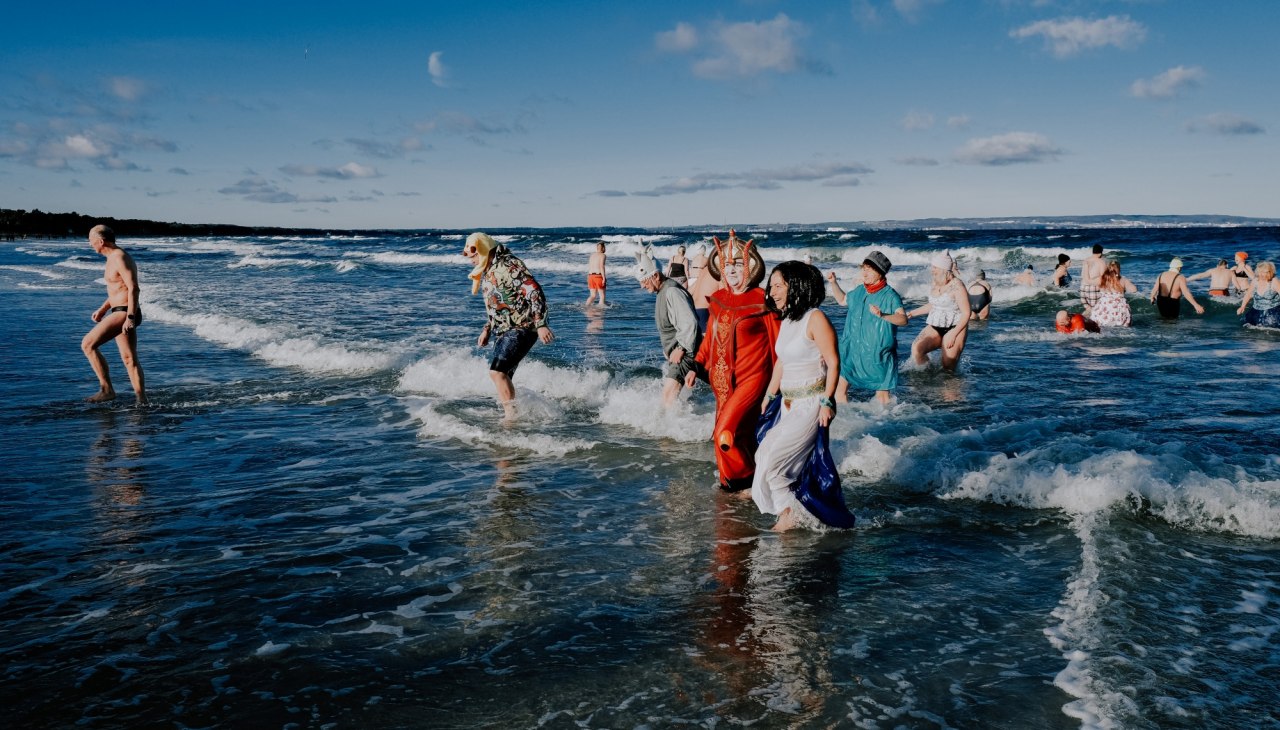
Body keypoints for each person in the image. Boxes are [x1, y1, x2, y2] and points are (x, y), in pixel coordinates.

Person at [752, 261, 853, 532]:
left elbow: (833, 362)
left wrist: (828, 402)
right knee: (765, 456)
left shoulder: (815, 318)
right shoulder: (787, 319)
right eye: (770, 285)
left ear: (796, 285)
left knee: (774, 462)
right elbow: (781, 362)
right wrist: (769, 393)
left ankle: (790, 518)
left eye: (778, 285)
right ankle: (796, 515)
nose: (771, 291)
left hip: (811, 404)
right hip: (787, 404)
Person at [687, 230, 778, 493]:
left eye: (737, 264)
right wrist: (695, 365)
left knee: (724, 433)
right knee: (740, 434)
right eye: (727, 265)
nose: (731, 270)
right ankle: (741, 481)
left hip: (754, 378)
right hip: (722, 380)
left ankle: (741, 484)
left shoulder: (762, 300)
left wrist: (786, 382)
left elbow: (780, 342)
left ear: (751, 266)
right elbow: (710, 341)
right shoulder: (719, 300)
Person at [464, 232, 554, 419]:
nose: (469, 259)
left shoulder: (508, 265)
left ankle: (511, 418)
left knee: (497, 372)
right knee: (504, 376)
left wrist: (541, 324)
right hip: (503, 330)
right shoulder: (489, 270)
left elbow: (534, 291)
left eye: (472, 254)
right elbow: (496, 304)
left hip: (522, 327)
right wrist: (487, 329)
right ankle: (521, 413)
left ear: (482, 250)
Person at [826, 251, 906, 405]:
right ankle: (846, 423)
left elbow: (903, 319)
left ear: (880, 273)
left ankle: (885, 426)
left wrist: (883, 315)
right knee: (839, 391)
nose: (865, 272)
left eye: (870, 269)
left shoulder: (890, 295)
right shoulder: (859, 290)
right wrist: (833, 282)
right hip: (852, 352)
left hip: (878, 355)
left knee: (883, 399)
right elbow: (842, 300)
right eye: (864, 268)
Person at [81, 225, 147, 405]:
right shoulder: (112, 258)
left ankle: (106, 389)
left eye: (90, 240)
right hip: (120, 310)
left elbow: (133, 288)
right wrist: (103, 309)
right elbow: (118, 290)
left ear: (101, 241)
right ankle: (142, 400)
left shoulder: (120, 257)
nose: (90, 244)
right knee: (129, 358)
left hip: (126, 312)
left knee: (87, 344)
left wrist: (130, 317)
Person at [637, 245, 702, 406]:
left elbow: (690, 322)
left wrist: (680, 349)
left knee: (667, 399)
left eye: (644, 281)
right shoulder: (662, 292)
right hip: (680, 353)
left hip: (686, 354)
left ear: (656, 276)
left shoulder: (672, 291)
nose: (642, 286)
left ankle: (670, 430)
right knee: (672, 398)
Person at [907, 251, 972, 372]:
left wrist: (954, 334)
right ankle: (927, 375)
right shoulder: (936, 282)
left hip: (955, 327)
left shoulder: (958, 286)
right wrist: (912, 313)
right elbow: (934, 304)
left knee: (948, 365)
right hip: (936, 325)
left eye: (935, 267)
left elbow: (966, 313)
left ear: (943, 269)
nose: (932, 270)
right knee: (917, 349)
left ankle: (949, 387)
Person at [1090, 260, 1138, 327]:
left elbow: (1089, 281)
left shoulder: (1102, 279)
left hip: (1104, 309)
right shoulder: (1123, 280)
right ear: (1119, 269)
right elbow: (1134, 290)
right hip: (1119, 310)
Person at [1237, 261, 1280, 329]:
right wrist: (1242, 307)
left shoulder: (1274, 281)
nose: (1262, 275)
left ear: (1270, 272)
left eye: (1265, 272)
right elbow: (1248, 294)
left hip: (1272, 312)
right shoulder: (1255, 281)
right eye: (1260, 272)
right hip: (1255, 311)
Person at [690, 244, 721, 334]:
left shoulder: (705, 270)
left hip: (693, 308)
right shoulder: (719, 272)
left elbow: (690, 290)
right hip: (704, 311)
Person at [1080, 244, 1106, 314]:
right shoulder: (1101, 262)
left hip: (1083, 287)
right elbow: (1104, 278)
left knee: (1089, 308)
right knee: (1097, 309)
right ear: (1100, 253)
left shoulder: (1086, 260)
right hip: (1093, 288)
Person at [585, 241, 607, 306]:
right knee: (602, 296)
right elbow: (601, 266)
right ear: (603, 248)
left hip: (590, 276)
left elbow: (590, 266)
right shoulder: (603, 255)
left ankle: (586, 306)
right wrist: (603, 278)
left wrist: (587, 278)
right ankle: (601, 312)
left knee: (593, 295)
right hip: (598, 276)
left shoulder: (592, 255)